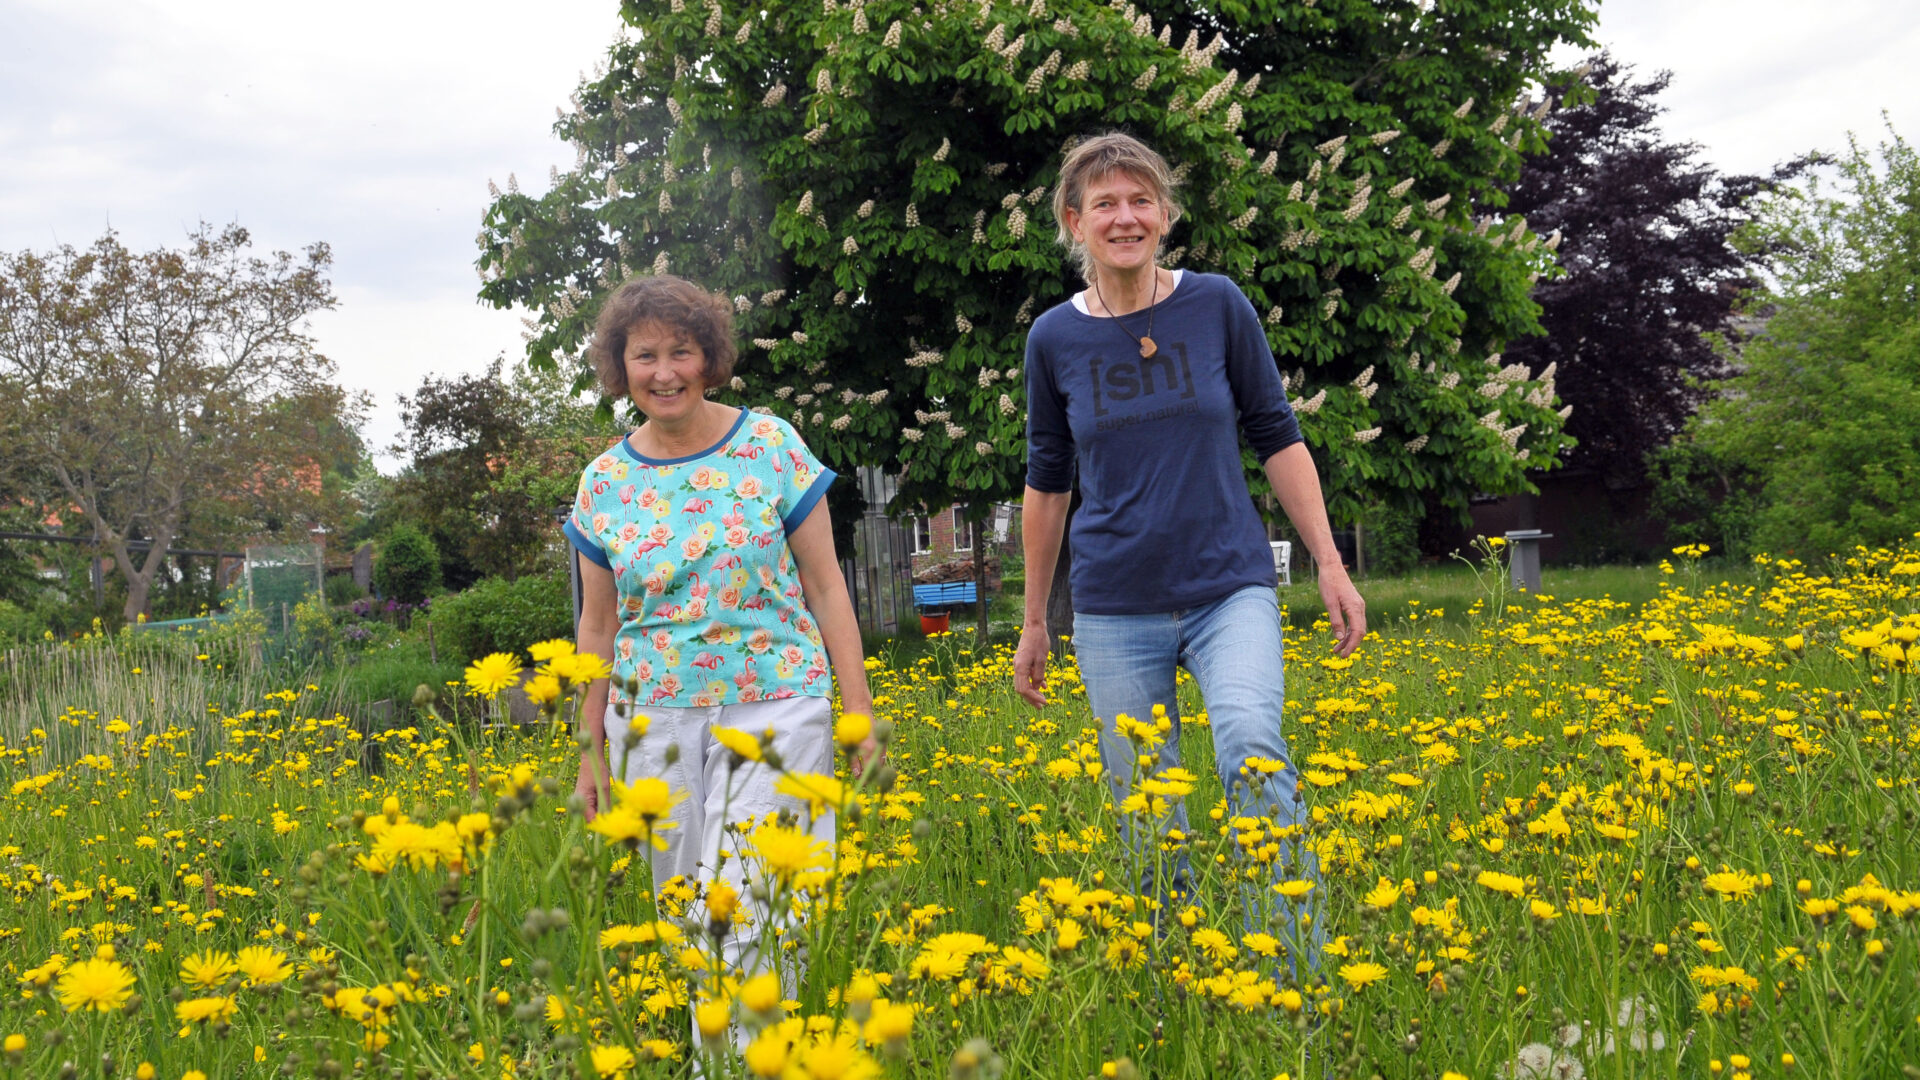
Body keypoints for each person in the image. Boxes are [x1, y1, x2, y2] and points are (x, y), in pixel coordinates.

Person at [1011, 132, 1367, 981]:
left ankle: (1293, 983)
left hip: (1227, 587)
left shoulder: (1217, 305)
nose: (1125, 217)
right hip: (1112, 603)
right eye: (1105, 204)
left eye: (1141, 200)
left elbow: (1276, 433)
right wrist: (1033, 620)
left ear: (1166, 215)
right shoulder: (1053, 339)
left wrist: (1328, 559)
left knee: (1249, 741)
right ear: (1074, 222)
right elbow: (1048, 482)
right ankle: (1186, 980)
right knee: (1145, 802)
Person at [565, 273, 877, 998]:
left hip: (776, 708)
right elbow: (597, 624)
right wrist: (590, 750)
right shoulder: (603, 481)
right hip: (654, 722)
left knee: (761, 906)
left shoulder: (769, 444)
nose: (665, 372)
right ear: (621, 367)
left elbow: (828, 587)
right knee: (685, 916)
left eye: (682, 352)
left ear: (709, 357)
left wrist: (857, 709)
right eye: (645, 356)